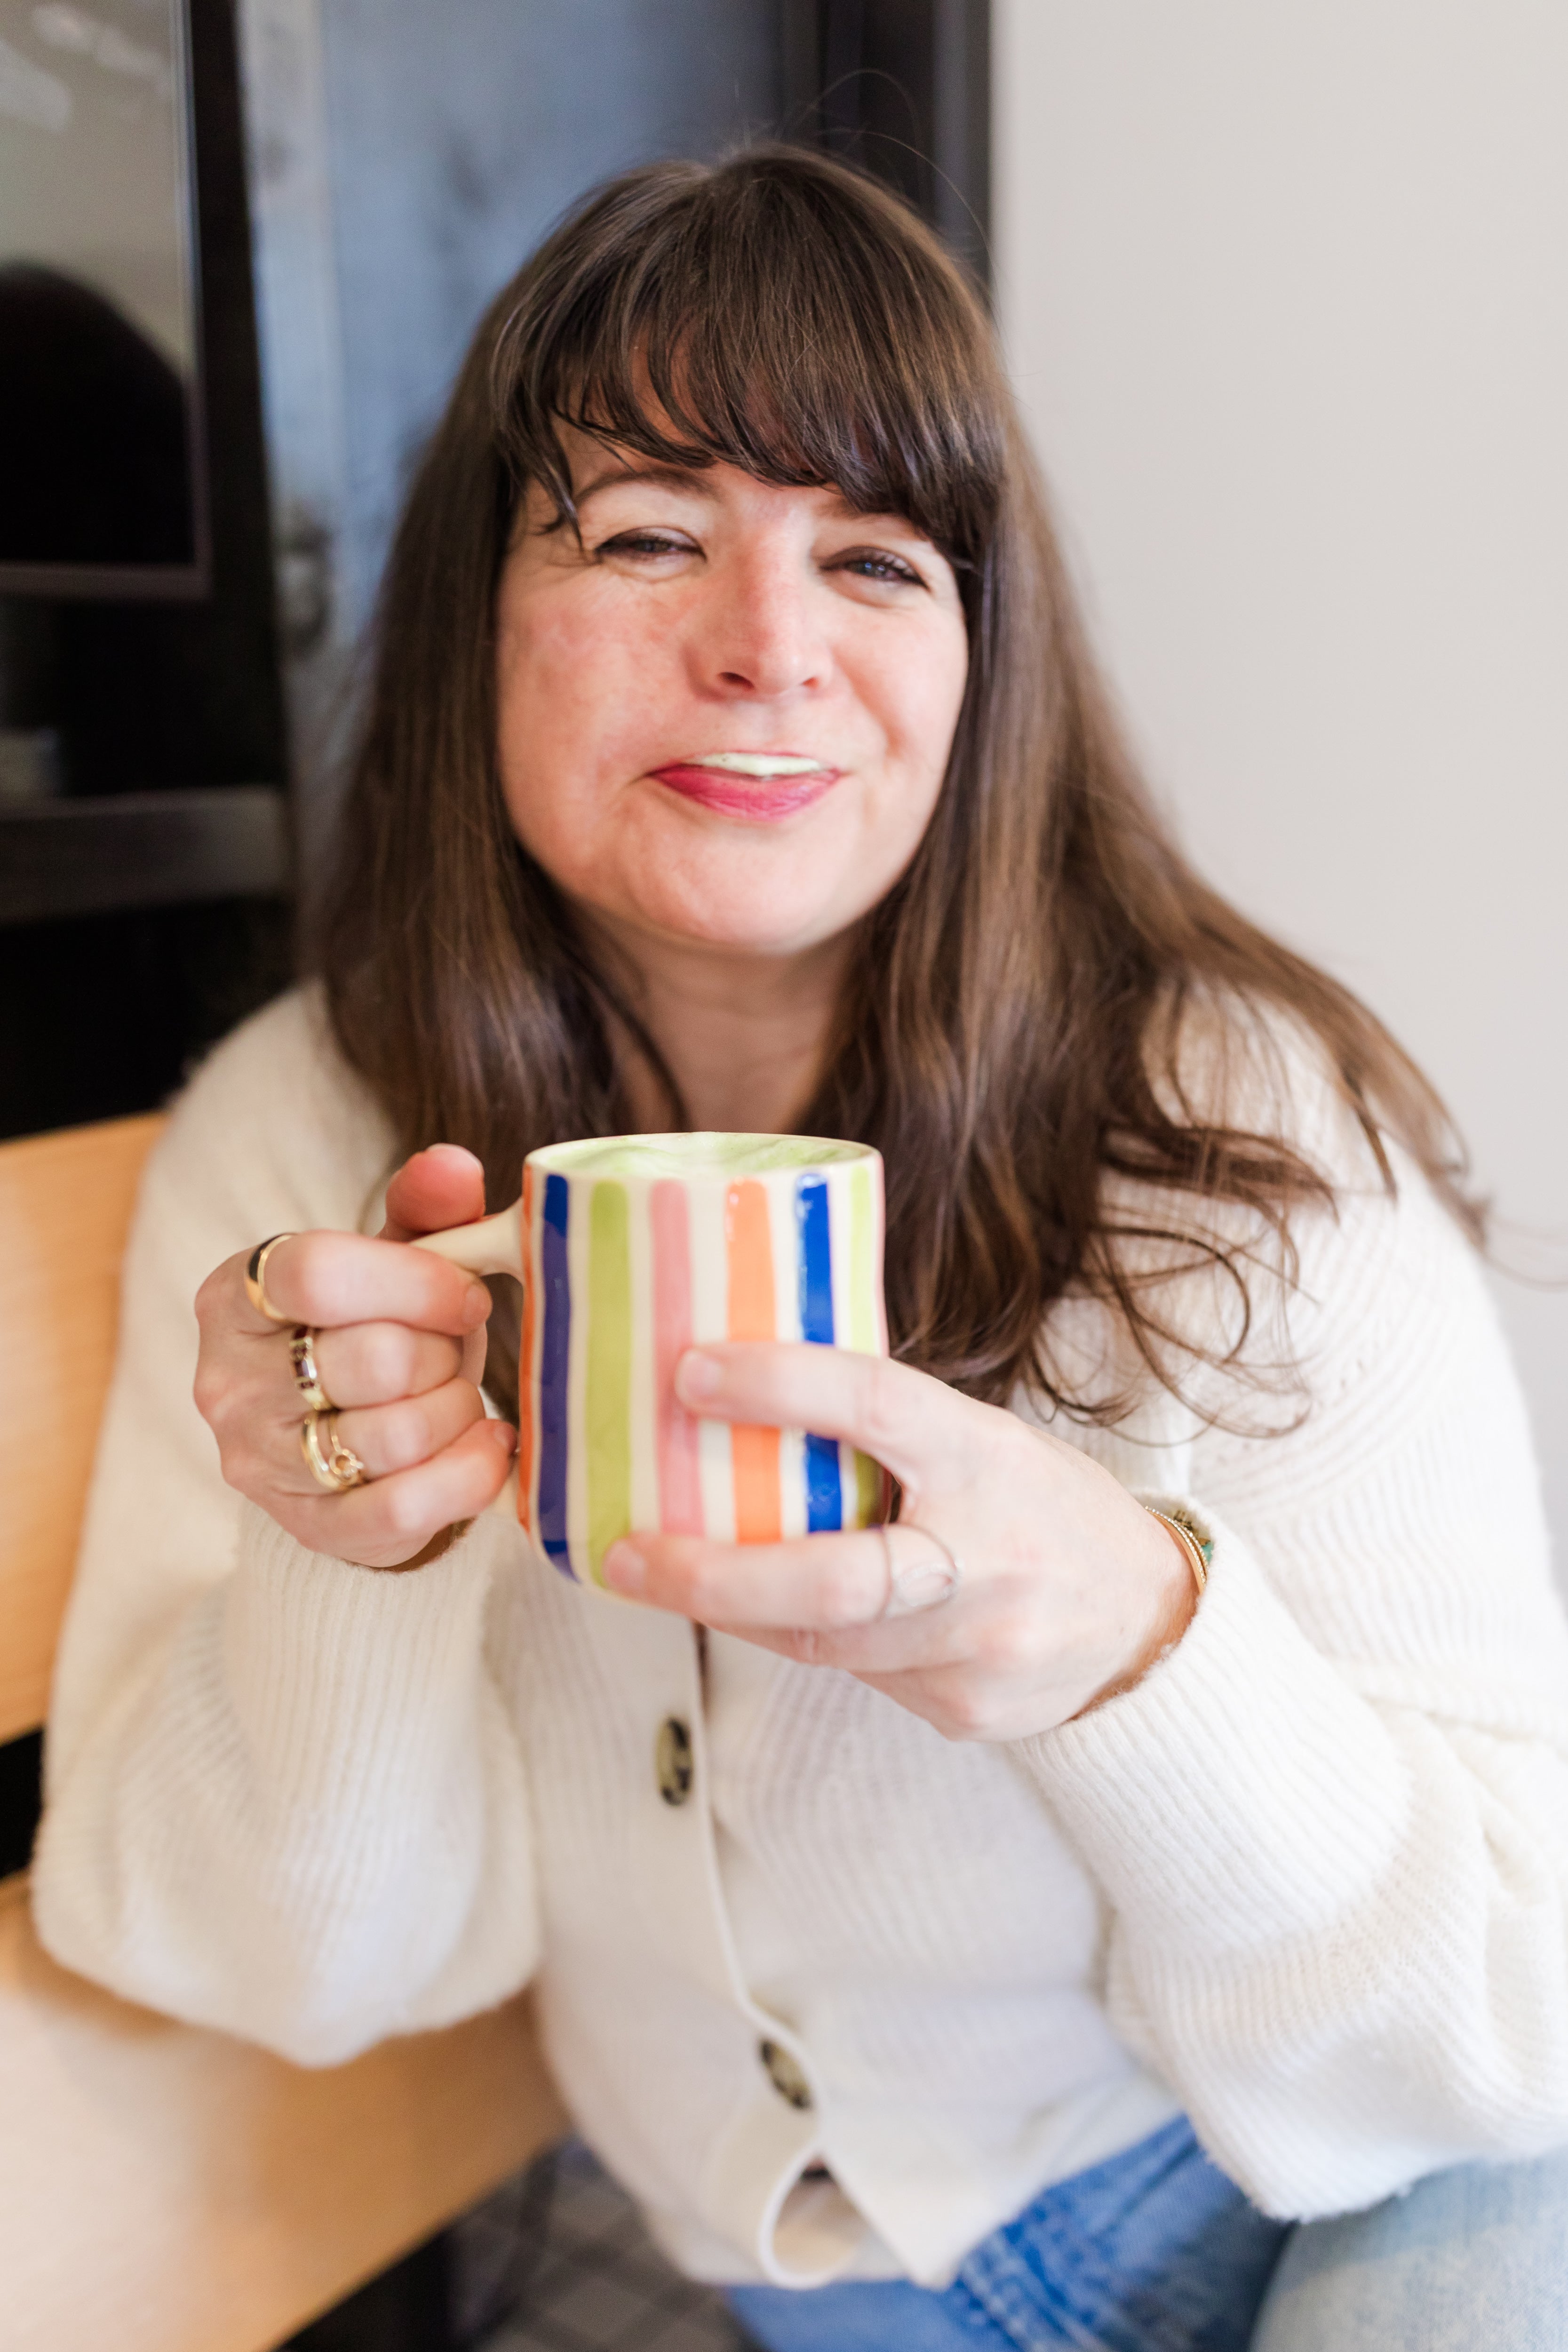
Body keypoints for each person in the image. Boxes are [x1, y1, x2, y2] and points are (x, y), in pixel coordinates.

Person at [32, 149, 1568, 2351]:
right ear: (478, 608)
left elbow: (1507, 2030)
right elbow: (272, 1960)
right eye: (649, 532)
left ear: (978, 660)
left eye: (877, 555)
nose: (768, 643)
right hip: (840, 2294)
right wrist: (343, 1562)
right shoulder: (314, 1136)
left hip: (1355, 2196)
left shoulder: (1238, 1128)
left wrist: (1136, 1636)